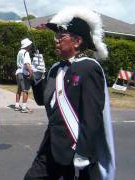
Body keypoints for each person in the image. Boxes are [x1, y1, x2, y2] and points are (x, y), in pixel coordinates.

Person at [24, 6, 115, 180]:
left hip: (77, 148)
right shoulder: (55, 68)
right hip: (51, 144)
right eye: (55, 36)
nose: (56, 40)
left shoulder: (89, 68)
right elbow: (42, 100)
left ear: (77, 41)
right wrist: (37, 79)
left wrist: (83, 151)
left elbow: (92, 115)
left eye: (60, 36)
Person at [15, 38, 34, 113]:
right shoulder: (26, 53)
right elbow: (26, 64)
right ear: (27, 45)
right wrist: (31, 72)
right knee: (25, 90)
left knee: (19, 90)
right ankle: (24, 107)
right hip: (23, 73)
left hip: (18, 72)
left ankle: (17, 105)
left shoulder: (19, 52)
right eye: (30, 45)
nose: (30, 46)